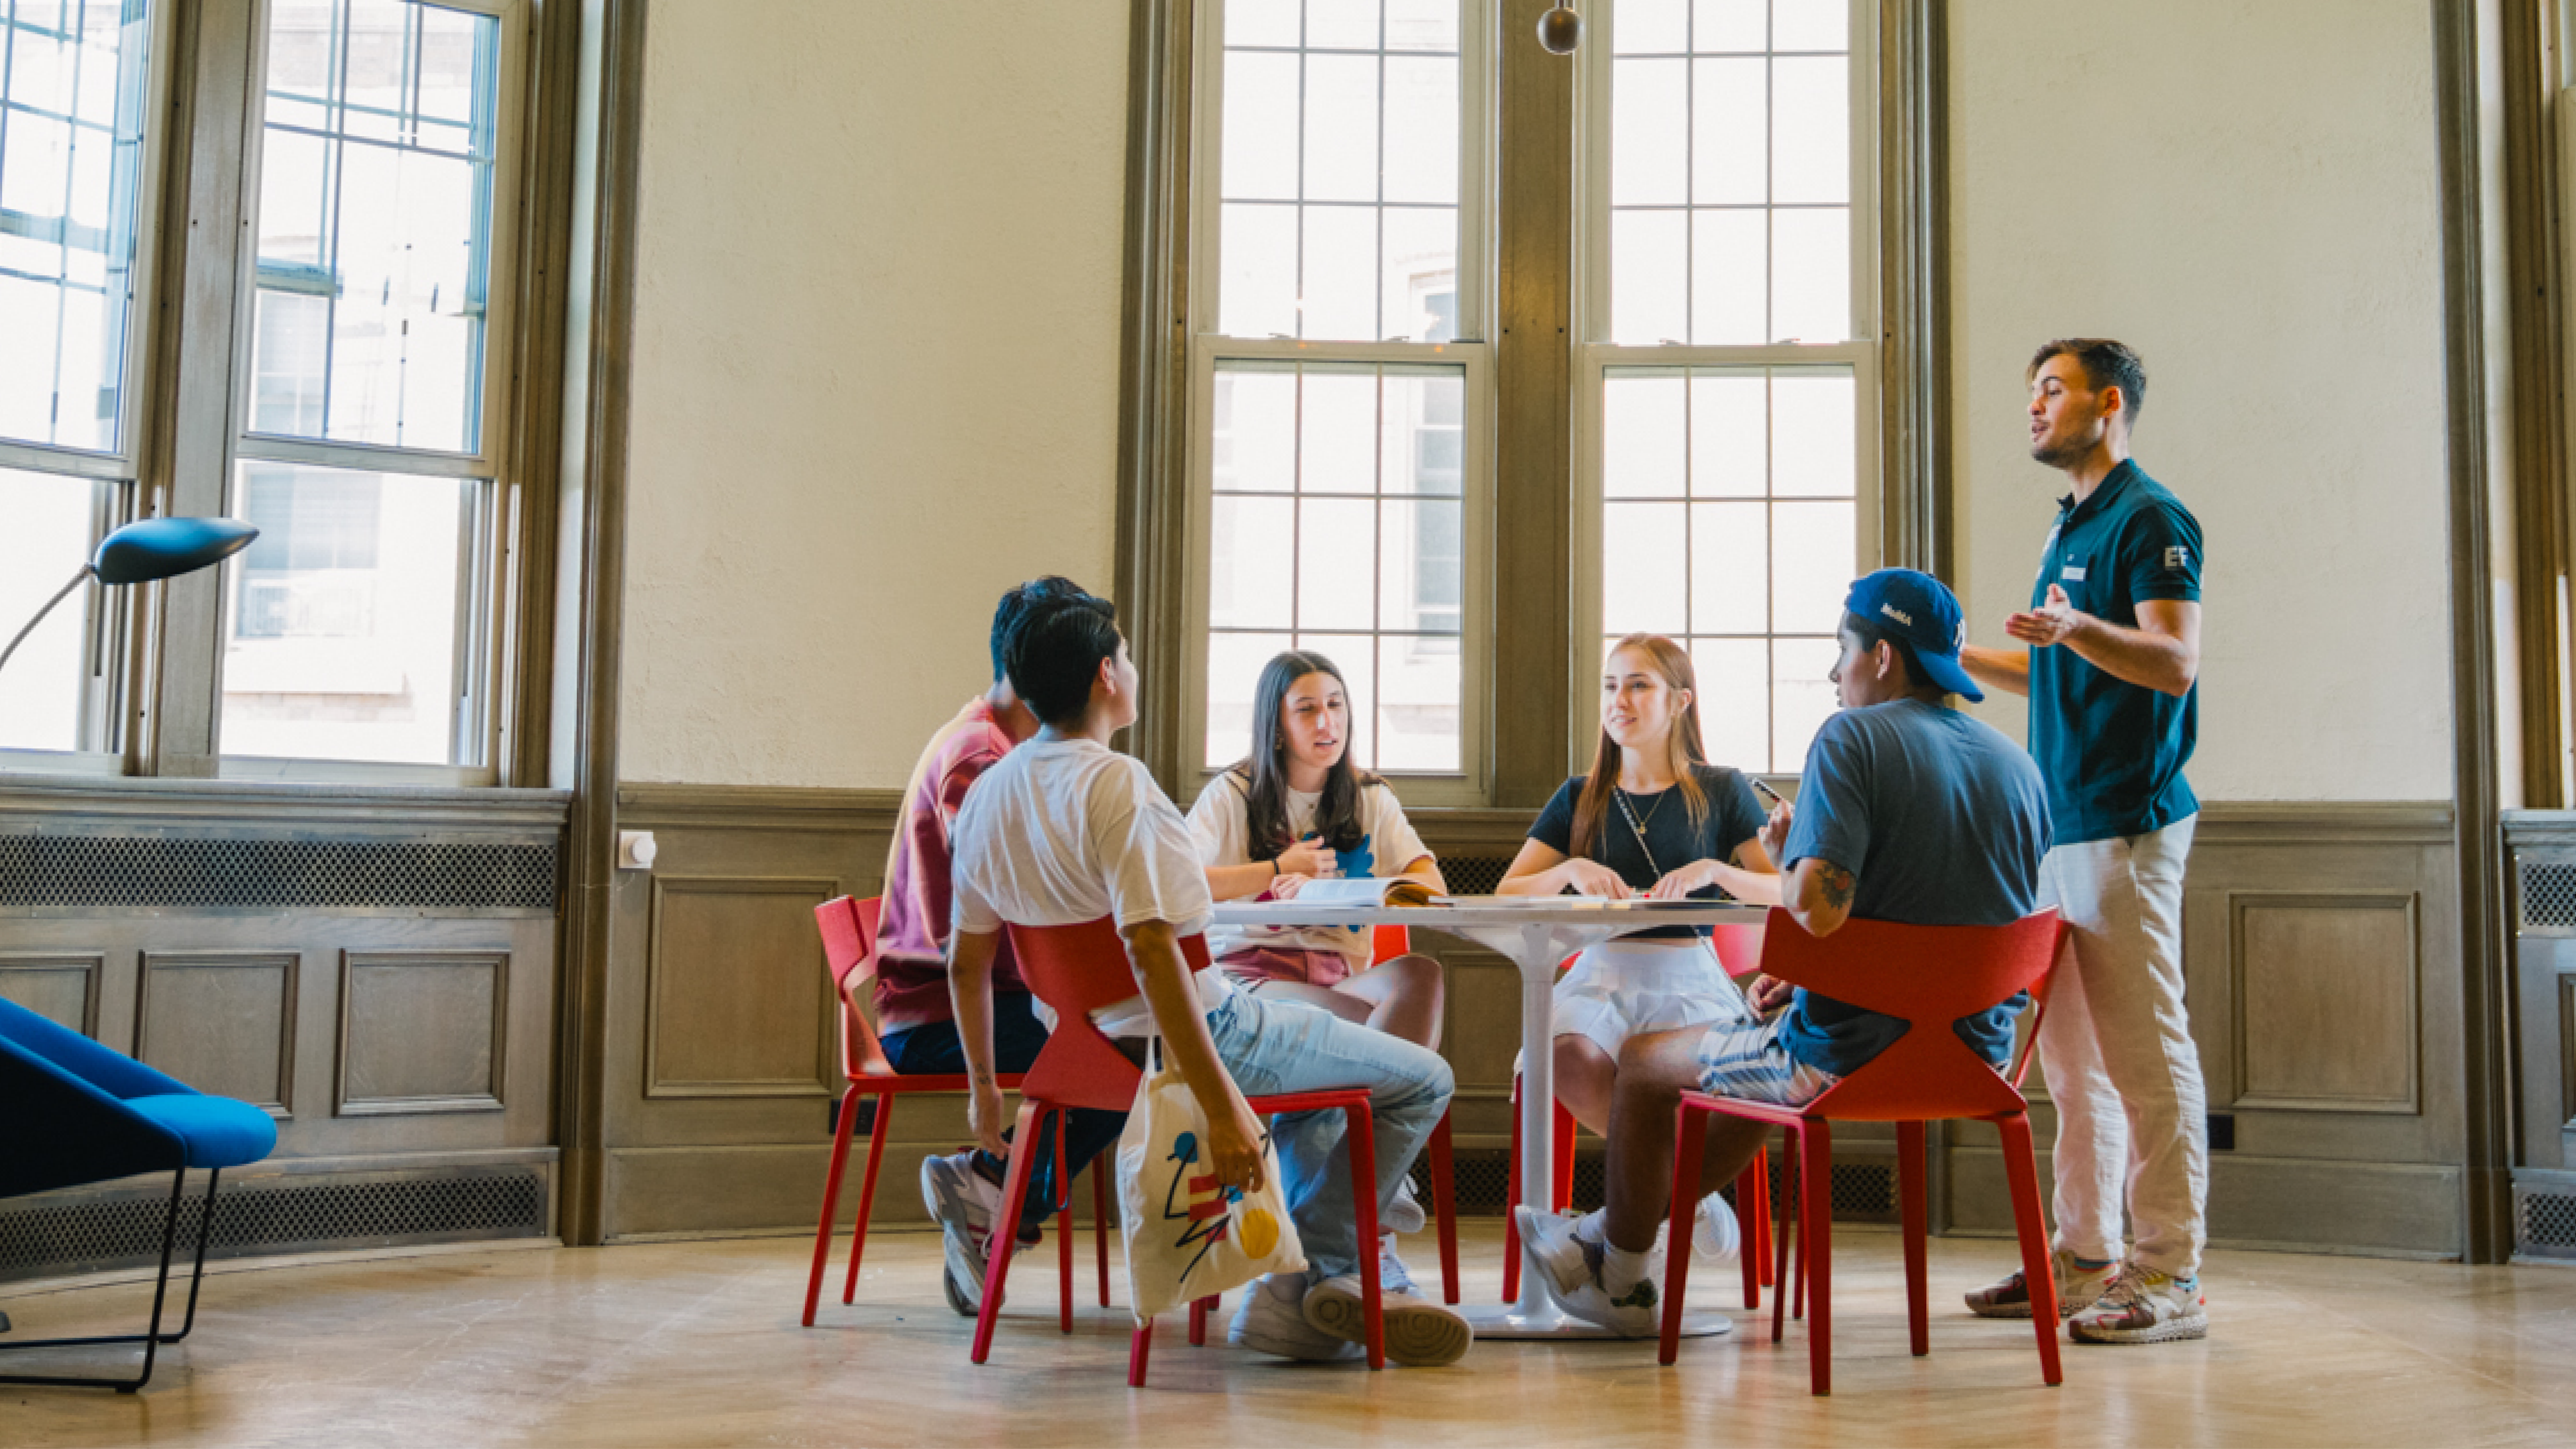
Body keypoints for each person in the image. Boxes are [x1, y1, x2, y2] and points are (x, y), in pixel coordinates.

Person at [945, 587, 1472, 1366]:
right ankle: (1305, 1280)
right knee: (1425, 1079)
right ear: (1105, 676)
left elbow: (967, 959)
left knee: (1327, 1093)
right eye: (1123, 653)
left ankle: (1307, 1288)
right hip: (1204, 1037)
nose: (1129, 664)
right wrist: (1224, 1111)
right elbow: (1157, 956)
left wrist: (984, 1087)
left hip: (1083, 1052)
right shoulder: (1117, 785)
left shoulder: (990, 793)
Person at [1515, 570, 2051, 1336]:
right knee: (1751, 1056)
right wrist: (1799, 983)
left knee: (1643, 1061)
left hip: (1846, 1054)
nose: (1836, 673)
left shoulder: (1851, 738)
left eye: (1844, 651)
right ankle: (1606, 1238)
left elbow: (1819, 911)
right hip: (1977, 1057)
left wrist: (1788, 854)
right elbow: (1957, 922)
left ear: (1885, 657)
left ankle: (1622, 1273)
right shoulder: (2019, 767)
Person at [1957, 337, 2211, 1345]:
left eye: (2052, 390)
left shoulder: (2150, 516)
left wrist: (2077, 633)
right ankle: (2085, 1255)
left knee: (2146, 1058)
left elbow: (2174, 662)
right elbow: (2059, 668)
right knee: (2073, 1068)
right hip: (2062, 828)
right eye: (2031, 391)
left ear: (2108, 405)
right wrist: (1944, 658)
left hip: (2128, 822)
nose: (2033, 406)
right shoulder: (2073, 524)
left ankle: (2170, 1274)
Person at [878, 576, 1124, 1316]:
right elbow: (1011, 912)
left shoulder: (995, 741)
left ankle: (990, 1194)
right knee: (1122, 1055)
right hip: (935, 1013)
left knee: (1123, 1049)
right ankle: (989, 1188)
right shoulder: (980, 761)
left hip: (983, 992)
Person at [1495, 633, 1778, 1263]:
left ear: (1680, 701)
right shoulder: (1579, 796)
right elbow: (1510, 888)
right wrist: (1570, 868)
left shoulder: (1723, 788)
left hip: (1690, 975)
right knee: (1563, 1053)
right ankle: (1686, 1191)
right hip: (1600, 971)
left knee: (1684, 1069)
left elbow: (1783, 889)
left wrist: (1719, 872)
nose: (1618, 700)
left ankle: (1639, 1210)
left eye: (1638, 685)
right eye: (1610, 686)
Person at [1189, 649, 1448, 1251]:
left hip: (1337, 979)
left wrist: (1344, 888)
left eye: (1335, 706)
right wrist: (1275, 868)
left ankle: (1369, 1167)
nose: (1326, 723)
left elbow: (1429, 883)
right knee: (1361, 1024)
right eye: (1307, 710)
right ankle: (1373, 1182)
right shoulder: (1233, 793)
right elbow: (1183, 881)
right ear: (1275, 725)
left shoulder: (1368, 796)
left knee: (1420, 977)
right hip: (1251, 980)